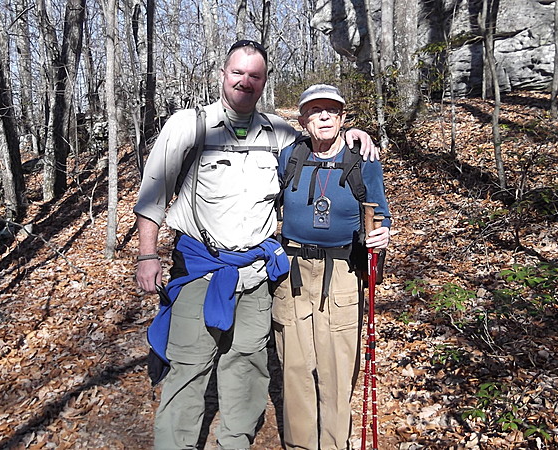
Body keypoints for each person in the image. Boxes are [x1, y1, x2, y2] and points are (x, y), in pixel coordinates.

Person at [134, 41, 377, 449]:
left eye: (255, 75)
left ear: (264, 82)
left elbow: (321, 145)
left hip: (257, 273)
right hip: (200, 267)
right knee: (190, 368)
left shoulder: (279, 134)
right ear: (222, 74)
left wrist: (352, 134)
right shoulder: (189, 125)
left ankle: (234, 442)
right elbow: (152, 195)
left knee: (246, 366)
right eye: (238, 73)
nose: (245, 81)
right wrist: (146, 255)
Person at [272, 84, 391, 450]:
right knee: (294, 369)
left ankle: (335, 445)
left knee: (337, 371)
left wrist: (381, 234)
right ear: (302, 119)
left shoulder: (363, 160)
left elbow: (380, 212)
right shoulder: (288, 156)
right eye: (315, 110)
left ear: (342, 118)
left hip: (342, 273)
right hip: (290, 271)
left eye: (331, 110)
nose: (324, 116)